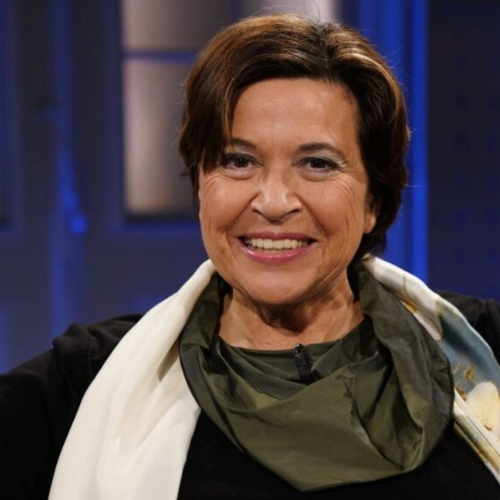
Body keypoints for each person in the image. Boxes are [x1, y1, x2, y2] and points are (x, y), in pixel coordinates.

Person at [2, 12, 500, 500]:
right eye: (238, 161)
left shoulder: (485, 350)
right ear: (201, 185)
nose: (274, 201)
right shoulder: (80, 384)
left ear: (374, 200)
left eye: (318, 163)